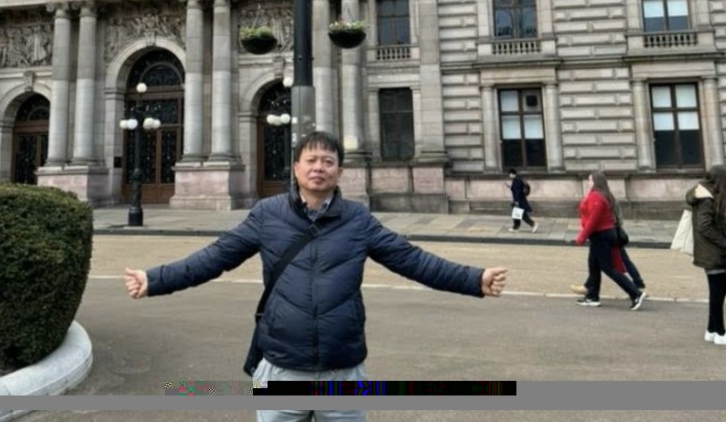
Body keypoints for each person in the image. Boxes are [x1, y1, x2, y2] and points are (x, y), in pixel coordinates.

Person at [124, 131, 507, 422]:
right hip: (282, 368)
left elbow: (412, 260)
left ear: (340, 171)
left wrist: (473, 279)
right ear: (296, 168)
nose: (319, 167)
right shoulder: (268, 215)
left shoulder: (358, 220)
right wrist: (155, 279)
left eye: (328, 161)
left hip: (342, 370)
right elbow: (215, 257)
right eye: (311, 160)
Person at [687, 164, 726, 345]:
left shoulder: (705, 195)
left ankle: (712, 330)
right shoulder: (707, 199)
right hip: (712, 252)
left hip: (710, 251)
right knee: (718, 290)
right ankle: (720, 332)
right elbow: (704, 226)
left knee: (719, 289)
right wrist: (725, 243)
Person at [573, 172, 644, 310]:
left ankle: (636, 293)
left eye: (590, 180)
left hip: (601, 235)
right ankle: (592, 297)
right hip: (601, 235)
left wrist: (581, 237)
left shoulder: (596, 196)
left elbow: (593, 220)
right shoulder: (603, 195)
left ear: (596, 181)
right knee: (594, 266)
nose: (588, 183)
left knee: (609, 268)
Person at [506, 167, 537, 232]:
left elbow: (518, 191)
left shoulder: (516, 180)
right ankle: (516, 227)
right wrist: (510, 187)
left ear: (512, 174)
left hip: (519, 200)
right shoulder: (518, 179)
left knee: (522, 214)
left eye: (509, 174)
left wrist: (516, 201)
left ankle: (533, 224)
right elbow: (516, 189)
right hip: (520, 199)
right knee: (516, 214)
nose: (509, 176)